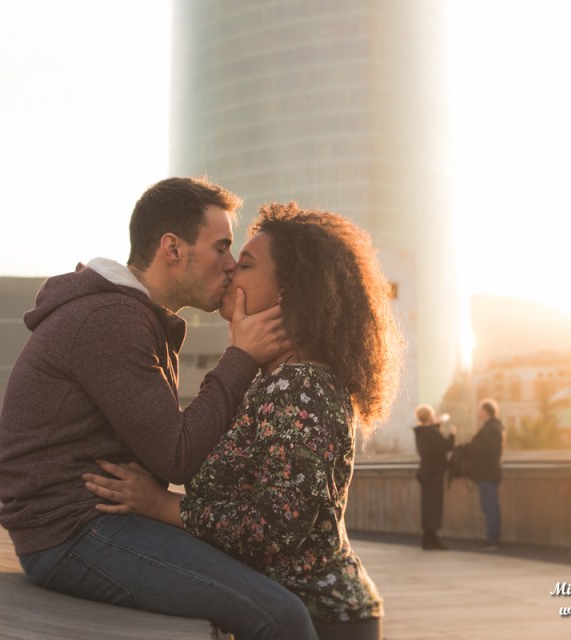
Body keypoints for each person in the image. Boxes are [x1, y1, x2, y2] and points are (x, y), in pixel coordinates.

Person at [0, 178, 318, 640]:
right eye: (221, 247)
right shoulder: (110, 320)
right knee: (281, 618)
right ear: (172, 248)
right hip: (69, 533)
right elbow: (176, 456)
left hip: (90, 521)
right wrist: (241, 356)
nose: (230, 265)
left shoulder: (132, 316)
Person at [82, 202, 403, 640]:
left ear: (288, 291)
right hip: (276, 611)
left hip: (321, 619)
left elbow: (274, 528)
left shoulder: (302, 387)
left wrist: (161, 507)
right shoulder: (268, 378)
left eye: (246, 263)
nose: (230, 270)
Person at [412, 404, 455, 550]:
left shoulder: (420, 432)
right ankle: (432, 539)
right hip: (435, 474)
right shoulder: (432, 433)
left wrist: (436, 427)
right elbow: (445, 446)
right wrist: (452, 434)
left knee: (427, 506)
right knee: (434, 506)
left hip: (425, 473)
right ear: (430, 416)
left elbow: (430, 447)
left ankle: (428, 538)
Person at [471, 398, 505, 548]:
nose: (478, 413)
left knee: (490, 506)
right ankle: (492, 536)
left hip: (487, 472)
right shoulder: (494, 427)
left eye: (480, 410)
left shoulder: (491, 428)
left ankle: (493, 538)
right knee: (490, 506)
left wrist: (471, 449)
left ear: (485, 412)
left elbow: (488, 449)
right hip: (488, 472)